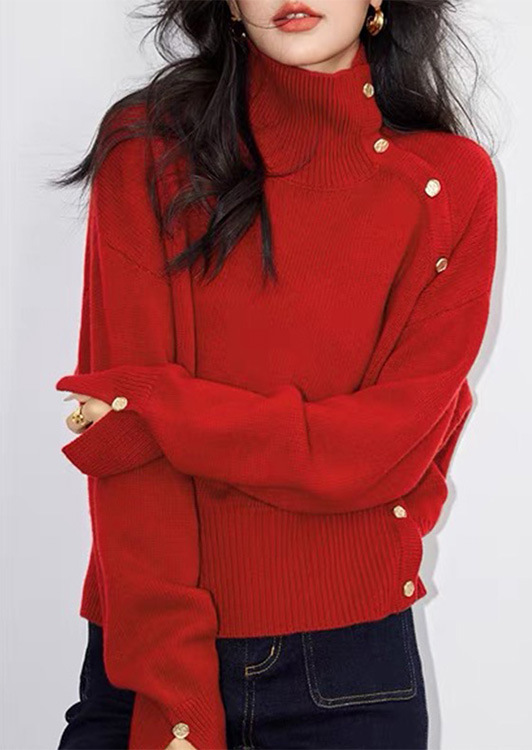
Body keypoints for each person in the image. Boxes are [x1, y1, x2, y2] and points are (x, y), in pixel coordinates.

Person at [53, 0, 500, 748]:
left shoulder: (450, 181)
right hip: (149, 652)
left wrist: (163, 410)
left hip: (353, 672)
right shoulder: (149, 149)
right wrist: (177, 699)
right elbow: (130, 470)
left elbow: (384, 450)